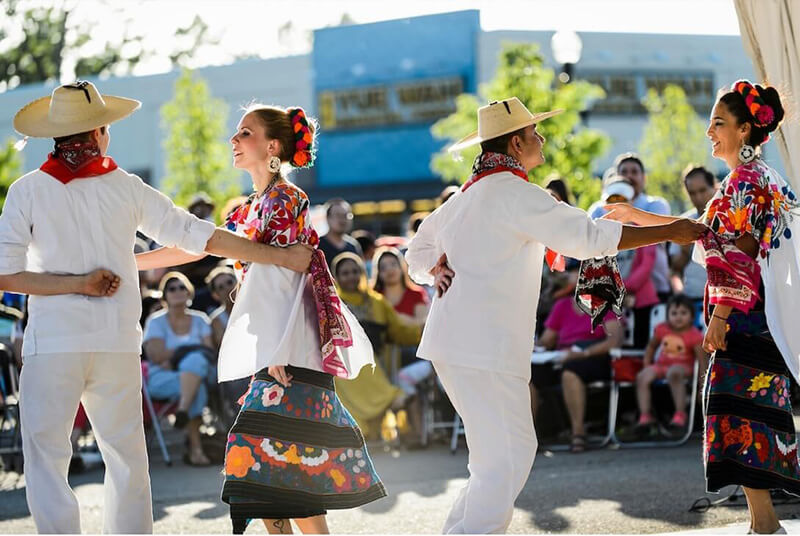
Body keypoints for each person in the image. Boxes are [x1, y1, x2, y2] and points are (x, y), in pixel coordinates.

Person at [2, 80, 311, 534]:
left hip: (54, 342)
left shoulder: (27, 190)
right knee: (126, 459)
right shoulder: (126, 188)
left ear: (55, 134)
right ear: (101, 131)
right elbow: (198, 235)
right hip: (115, 342)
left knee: (47, 457)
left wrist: (80, 283)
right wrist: (280, 255)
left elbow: (7, 276)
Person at [405, 97, 705, 534]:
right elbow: (588, 237)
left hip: (463, 344)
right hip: (482, 345)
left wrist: (433, 268)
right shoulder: (513, 192)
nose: (541, 137)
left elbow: (416, 253)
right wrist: (671, 230)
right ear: (515, 141)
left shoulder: (468, 195)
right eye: (534, 132)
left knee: (503, 455)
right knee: (502, 458)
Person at [138, 104, 383, 534]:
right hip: (278, 348)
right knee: (275, 472)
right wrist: (131, 261)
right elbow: (197, 245)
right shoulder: (250, 207)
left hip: (291, 348)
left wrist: (277, 350)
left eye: (244, 133)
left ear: (272, 146)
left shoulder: (288, 198)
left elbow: (286, 277)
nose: (234, 140)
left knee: (274, 466)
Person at [606, 80, 800, 534]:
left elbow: (743, 250)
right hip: (755, 315)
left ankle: (764, 523)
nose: (709, 131)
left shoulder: (747, 182)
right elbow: (697, 231)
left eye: (718, 123)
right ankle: (762, 521)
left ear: (745, 128)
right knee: (748, 414)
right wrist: (633, 217)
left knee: (742, 415)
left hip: (745, 317)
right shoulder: (753, 180)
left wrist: (719, 317)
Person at [332, 252, 422, 441]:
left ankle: (412, 434)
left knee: (380, 378)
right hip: (343, 370)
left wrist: (424, 330)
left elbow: (398, 331)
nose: (351, 277)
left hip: (376, 364)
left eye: (355, 271)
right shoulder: (332, 304)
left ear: (363, 273)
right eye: (345, 273)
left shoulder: (377, 303)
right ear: (337, 277)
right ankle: (374, 419)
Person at [531, 284, 623, 452]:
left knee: (570, 372)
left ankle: (578, 433)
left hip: (593, 357)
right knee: (529, 376)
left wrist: (583, 354)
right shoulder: (562, 305)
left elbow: (614, 341)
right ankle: (529, 436)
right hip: (561, 357)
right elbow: (546, 340)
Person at [142, 271, 216, 466]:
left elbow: (208, 351)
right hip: (162, 377)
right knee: (195, 377)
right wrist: (188, 349)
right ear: (164, 294)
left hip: (194, 373)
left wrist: (173, 354)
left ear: (189, 292)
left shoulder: (200, 319)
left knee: (196, 361)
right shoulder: (156, 321)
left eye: (182, 287)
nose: (177, 291)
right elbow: (156, 357)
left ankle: (183, 410)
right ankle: (195, 449)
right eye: (171, 288)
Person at [590, 154, 673, 301]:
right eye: (624, 172)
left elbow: (653, 238)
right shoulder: (598, 209)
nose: (629, 176)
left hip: (655, 292)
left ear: (644, 177)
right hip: (610, 292)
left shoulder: (657, 205)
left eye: (634, 172)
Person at [635, 294, 705, 431]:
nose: (678, 317)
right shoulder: (662, 330)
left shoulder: (695, 335)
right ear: (667, 316)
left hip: (684, 367)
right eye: (674, 313)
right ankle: (645, 415)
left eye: (683, 313)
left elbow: (702, 360)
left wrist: (701, 387)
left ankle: (680, 413)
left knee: (674, 373)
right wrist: (647, 364)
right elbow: (651, 346)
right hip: (661, 366)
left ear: (692, 316)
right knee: (642, 376)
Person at [669, 165, 719, 322]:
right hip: (692, 303)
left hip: (724, 301)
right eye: (692, 193)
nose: (698, 197)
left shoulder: (729, 219)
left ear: (714, 186)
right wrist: (679, 295)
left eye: (703, 190)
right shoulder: (683, 223)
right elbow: (674, 271)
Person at [318, 198, 362, 268]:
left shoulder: (353, 246)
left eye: (346, 215)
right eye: (338, 215)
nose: (342, 220)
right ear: (328, 218)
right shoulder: (318, 246)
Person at [206, 265, 237, 349]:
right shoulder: (216, 320)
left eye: (229, 282)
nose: (227, 288)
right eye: (221, 287)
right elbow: (225, 346)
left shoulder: (254, 304)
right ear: (216, 295)